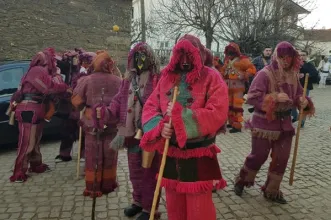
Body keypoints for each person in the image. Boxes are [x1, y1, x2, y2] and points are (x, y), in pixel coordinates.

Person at [139, 34, 228, 220]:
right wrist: (160, 127)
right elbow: (151, 107)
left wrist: (181, 118)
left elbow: (218, 112)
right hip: (170, 152)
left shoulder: (212, 77)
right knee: (174, 204)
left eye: (190, 55)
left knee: (199, 208)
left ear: (200, 54)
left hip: (199, 151)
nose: (185, 61)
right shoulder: (166, 77)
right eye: (181, 55)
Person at [233, 41, 315, 204]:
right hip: (264, 124)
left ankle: (272, 190)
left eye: (289, 57)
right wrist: (274, 98)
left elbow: (299, 95)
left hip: (285, 125)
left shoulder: (293, 75)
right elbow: (252, 98)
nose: (286, 61)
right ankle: (242, 180)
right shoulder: (264, 73)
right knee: (258, 156)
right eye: (283, 57)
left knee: (281, 159)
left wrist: (303, 101)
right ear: (276, 56)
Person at [95, 42, 161, 220]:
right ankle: (138, 201)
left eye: (143, 56)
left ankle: (150, 208)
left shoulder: (157, 80)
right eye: (136, 57)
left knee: (149, 172)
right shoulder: (127, 81)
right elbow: (118, 102)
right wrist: (106, 112)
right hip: (131, 134)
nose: (140, 61)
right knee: (135, 171)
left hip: (150, 135)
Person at [9, 48, 70, 183]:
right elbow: (48, 89)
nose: (54, 62)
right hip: (29, 109)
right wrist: (64, 87)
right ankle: (18, 172)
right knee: (27, 142)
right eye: (52, 60)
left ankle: (36, 165)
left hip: (35, 108)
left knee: (35, 140)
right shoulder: (37, 70)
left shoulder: (39, 71)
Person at [71, 51, 122, 197]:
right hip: (112, 124)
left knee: (93, 155)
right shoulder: (118, 81)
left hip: (91, 123)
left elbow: (76, 100)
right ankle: (108, 184)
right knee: (110, 154)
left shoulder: (87, 80)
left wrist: (83, 108)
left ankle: (93, 187)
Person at [55, 51, 96, 163]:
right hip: (73, 107)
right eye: (82, 61)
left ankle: (83, 154)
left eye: (86, 62)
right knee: (67, 130)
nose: (84, 64)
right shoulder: (74, 70)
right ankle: (64, 154)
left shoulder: (94, 74)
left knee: (84, 132)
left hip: (86, 107)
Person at [220, 42, 256, 133]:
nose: (229, 55)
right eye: (228, 53)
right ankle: (232, 122)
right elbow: (223, 71)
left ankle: (237, 126)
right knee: (229, 106)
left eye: (231, 53)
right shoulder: (227, 61)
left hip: (238, 87)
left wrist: (244, 75)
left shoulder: (243, 60)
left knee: (237, 106)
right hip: (228, 87)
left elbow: (252, 69)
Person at [291, 50, 319, 127]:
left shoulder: (309, 65)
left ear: (306, 56)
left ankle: (302, 122)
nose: (301, 56)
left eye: (303, 55)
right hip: (294, 87)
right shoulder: (294, 64)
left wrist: (305, 75)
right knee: (292, 102)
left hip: (304, 87)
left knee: (303, 104)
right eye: (300, 55)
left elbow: (315, 73)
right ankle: (296, 116)